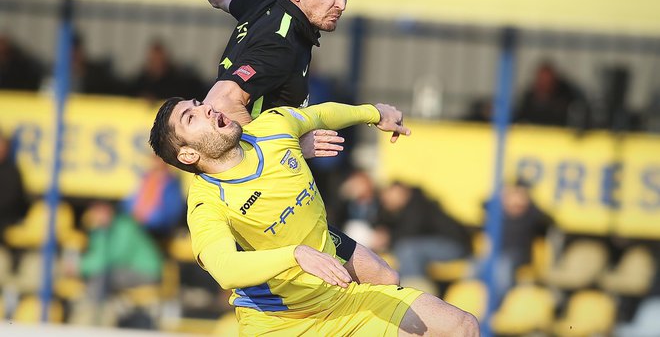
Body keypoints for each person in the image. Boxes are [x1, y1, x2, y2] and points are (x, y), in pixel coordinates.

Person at [169, 0, 396, 286]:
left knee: (382, 278)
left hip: (282, 193)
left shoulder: (267, 8)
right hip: (262, 203)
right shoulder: (280, 46)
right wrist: (280, 144)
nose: (341, 3)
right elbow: (221, 100)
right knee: (361, 287)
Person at [149, 97, 479, 335]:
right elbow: (224, 269)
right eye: (190, 118)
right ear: (188, 154)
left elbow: (321, 114)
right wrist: (296, 254)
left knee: (462, 326)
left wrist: (374, 113)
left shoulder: (273, 128)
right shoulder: (206, 202)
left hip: (341, 300)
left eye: (197, 103)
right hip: (281, 323)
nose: (205, 107)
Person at [372, 181, 472, 293]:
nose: (389, 200)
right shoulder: (396, 211)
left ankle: (416, 295)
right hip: (433, 247)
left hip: (454, 245)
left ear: (403, 191)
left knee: (408, 250)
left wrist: (388, 238)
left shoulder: (419, 204)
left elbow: (411, 233)